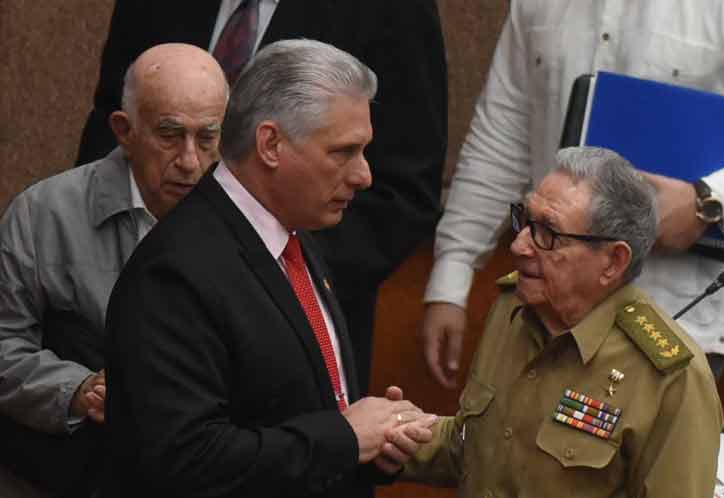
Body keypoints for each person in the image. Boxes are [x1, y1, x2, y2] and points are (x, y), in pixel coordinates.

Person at [104, 39, 436, 498]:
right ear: (271, 144)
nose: (365, 176)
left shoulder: (297, 238)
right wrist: (344, 437)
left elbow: (294, 413)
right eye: (343, 152)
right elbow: (184, 460)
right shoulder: (174, 273)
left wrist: (376, 445)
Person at [78, 0, 448, 393]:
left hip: (287, 337)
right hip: (117, 314)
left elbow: (404, 193)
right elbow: (111, 123)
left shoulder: (394, 11)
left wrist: (263, 274)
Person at [422, 0, 724, 388]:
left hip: (672, 321)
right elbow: (501, 138)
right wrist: (451, 276)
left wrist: (710, 201)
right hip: (542, 315)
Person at [405, 147, 723, 497]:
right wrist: (383, 435)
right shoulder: (513, 309)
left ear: (613, 262)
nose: (519, 245)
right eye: (524, 221)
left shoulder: (673, 380)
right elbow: (470, 446)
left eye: (548, 233)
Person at [0, 43, 228, 497]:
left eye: (207, 138)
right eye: (169, 134)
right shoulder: (45, 213)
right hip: (63, 473)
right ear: (124, 130)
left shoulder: (246, 220)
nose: (190, 161)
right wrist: (77, 390)